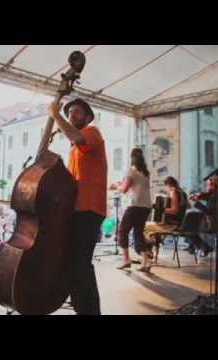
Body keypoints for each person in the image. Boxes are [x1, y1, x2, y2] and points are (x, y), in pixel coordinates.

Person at [47, 98, 107, 315]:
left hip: (89, 208)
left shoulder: (93, 132)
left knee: (80, 262)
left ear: (88, 117)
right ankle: (82, 307)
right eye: (69, 112)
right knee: (75, 262)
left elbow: (76, 135)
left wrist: (56, 116)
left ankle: (88, 311)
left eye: (77, 112)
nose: (72, 115)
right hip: (77, 209)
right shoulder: (73, 149)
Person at [110, 148, 153, 273]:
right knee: (138, 233)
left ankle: (126, 259)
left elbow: (124, 189)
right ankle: (146, 261)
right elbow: (135, 186)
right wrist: (123, 184)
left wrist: (115, 186)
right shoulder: (146, 172)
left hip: (135, 205)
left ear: (132, 158)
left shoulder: (131, 170)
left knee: (122, 231)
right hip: (146, 206)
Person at [188, 172, 218, 256]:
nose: (206, 187)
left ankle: (202, 247)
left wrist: (196, 203)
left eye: (207, 185)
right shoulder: (216, 193)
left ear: (213, 184)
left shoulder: (217, 194)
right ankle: (194, 246)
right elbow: (206, 196)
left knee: (188, 228)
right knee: (190, 225)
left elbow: (209, 211)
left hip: (214, 223)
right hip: (212, 221)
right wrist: (197, 196)